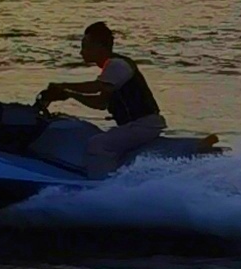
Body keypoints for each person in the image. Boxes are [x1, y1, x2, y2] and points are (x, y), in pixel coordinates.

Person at [38, 22, 165, 176]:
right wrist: (70, 94)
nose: (81, 52)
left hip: (143, 125)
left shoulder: (116, 65)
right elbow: (99, 103)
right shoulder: (110, 70)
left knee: (98, 144)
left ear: (100, 46)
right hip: (139, 125)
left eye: (85, 46)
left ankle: (103, 183)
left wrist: (63, 86)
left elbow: (96, 87)